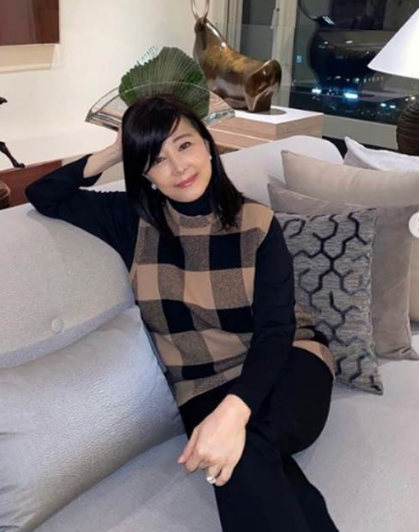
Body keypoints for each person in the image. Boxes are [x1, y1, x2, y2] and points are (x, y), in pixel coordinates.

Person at [26, 94, 340, 532]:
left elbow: (275, 330)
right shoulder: (133, 222)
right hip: (201, 386)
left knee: (239, 449)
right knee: (242, 455)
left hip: (287, 361)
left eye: (184, 145)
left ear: (208, 145)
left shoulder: (257, 223)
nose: (178, 167)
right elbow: (43, 194)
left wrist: (234, 412)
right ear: (145, 174)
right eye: (156, 159)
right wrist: (118, 149)